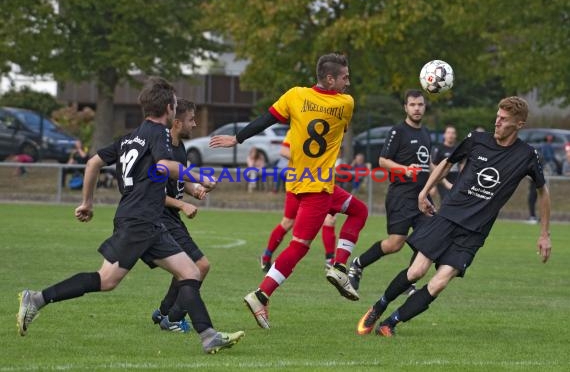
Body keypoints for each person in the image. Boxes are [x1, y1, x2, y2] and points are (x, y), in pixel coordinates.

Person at [17, 77, 244, 354]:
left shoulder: (129, 137)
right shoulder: (158, 133)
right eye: (174, 103)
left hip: (143, 219)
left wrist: (87, 202)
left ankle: (208, 335)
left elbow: (93, 162)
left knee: (188, 272)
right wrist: (196, 176)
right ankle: (36, 299)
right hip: (141, 220)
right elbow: (164, 165)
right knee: (109, 279)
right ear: (169, 108)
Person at [356, 96, 552, 337]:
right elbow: (446, 164)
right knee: (416, 272)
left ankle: (390, 323)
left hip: (474, 231)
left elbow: (543, 192)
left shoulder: (527, 155)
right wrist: (424, 191)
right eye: (497, 116)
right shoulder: (477, 139)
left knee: (440, 282)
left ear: (519, 124)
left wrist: (544, 234)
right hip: (447, 216)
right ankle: (379, 306)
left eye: (504, 119)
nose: (497, 122)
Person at [210, 53, 368, 329]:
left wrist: (237, 138)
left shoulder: (295, 95)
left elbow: (265, 120)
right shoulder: (345, 103)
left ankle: (340, 267)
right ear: (330, 79)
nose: (348, 82)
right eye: (344, 77)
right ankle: (262, 294)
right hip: (318, 187)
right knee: (299, 246)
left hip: (299, 182)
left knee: (359, 210)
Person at [348, 89, 434, 293]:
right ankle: (358, 264)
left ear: (424, 107)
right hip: (401, 196)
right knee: (395, 244)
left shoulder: (426, 133)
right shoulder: (398, 131)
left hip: (422, 197)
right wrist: (405, 169)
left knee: (430, 240)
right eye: (412, 104)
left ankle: (408, 282)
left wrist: (445, 181)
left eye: (420, 104)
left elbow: (427, 163)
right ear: (405, 107)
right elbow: (382, 161)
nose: (417, 108)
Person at [150, 99, 213, 332]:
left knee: (184, 267)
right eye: (191, 120)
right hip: (160, 217)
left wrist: (194, 189)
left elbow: (178, 180)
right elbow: (152, 193)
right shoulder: (160, 150)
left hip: (171, 217)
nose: (195, 124)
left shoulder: (179, 148)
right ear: (176, 122)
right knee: (200, 266)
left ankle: (165, 311)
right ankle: (174, 318)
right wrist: (182, 205)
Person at [260, 133, 340, 272]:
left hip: (320, 183)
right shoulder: (297, 128)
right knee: (288, 222)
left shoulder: (328, 127)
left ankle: (330, 261)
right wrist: (309, 160)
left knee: (330, 220)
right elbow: (284, 151)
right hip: (298, 183)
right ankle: (266, 256)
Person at [430, 125, 458, 202]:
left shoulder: (458, 148)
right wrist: (433, 186)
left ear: (456, 135)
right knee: (446, 203)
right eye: (448, 133)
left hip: (456, 182)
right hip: (443, 181)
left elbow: (462, 166)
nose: (451, 135)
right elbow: (434, 168)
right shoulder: (439, 149)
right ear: (444, 135)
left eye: (453, 133)